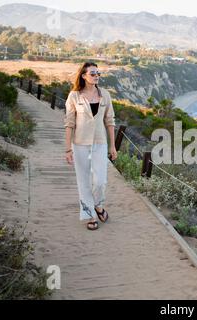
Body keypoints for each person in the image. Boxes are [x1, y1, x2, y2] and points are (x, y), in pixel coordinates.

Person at [64, 62, 117, 230]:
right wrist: (68, 149)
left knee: (100, 181)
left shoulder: (105, 95)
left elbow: (110, 121)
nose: (96, 76)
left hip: (100, 143)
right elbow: (69, 123)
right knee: (84, 181)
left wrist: (112, 146)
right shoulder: (74, 96)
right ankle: (89, 215)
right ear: (84, 75)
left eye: (98, 73)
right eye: (93, 73)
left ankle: (98, 205)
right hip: (79, 144)